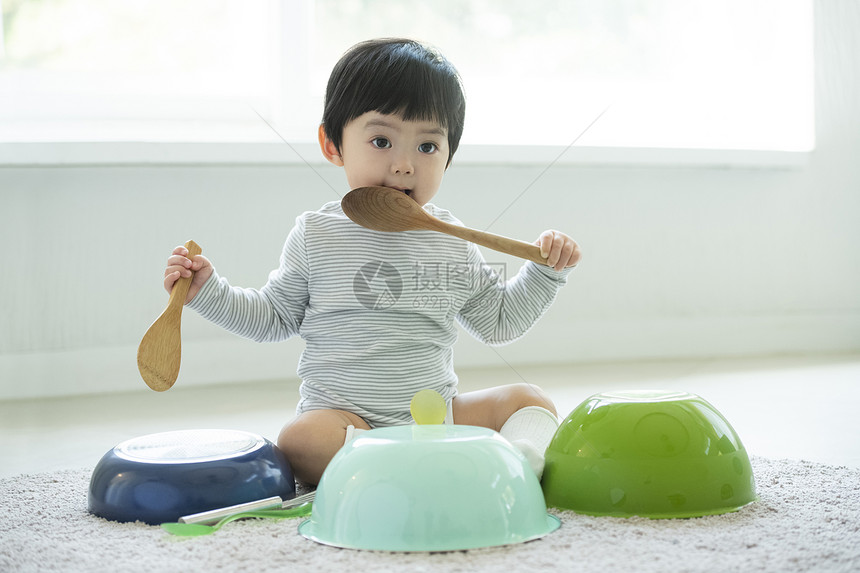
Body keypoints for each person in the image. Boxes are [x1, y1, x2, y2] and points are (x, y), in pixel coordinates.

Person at [163, 38, 581, 485]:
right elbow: (272, 319)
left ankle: (516, 464)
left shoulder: (451, 241)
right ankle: (422, 468)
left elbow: (500, 322)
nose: (404, 165)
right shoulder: (315, 234)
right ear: (332, 145)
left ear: (449, 156)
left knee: (529, 399)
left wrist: (545, 271)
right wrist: (209, 292)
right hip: (346, 424)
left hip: (433, 420)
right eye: (381, 140)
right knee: (300, 440)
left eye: (427, 147)